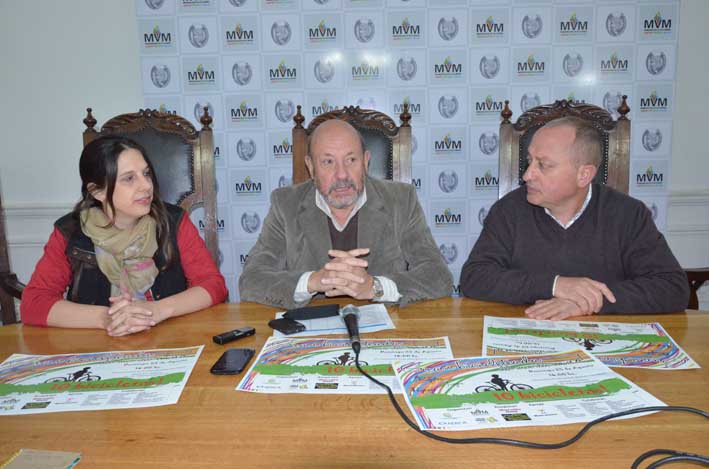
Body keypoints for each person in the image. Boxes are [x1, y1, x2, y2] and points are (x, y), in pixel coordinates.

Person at [460, 117, 688, 319]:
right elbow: (475, 278)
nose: (527, 174)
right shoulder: (508, 211)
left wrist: (588, 302)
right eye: (529, 161)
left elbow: (672, 287)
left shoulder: (627, 214)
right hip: (530, 337)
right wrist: (555, 285)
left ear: (584, 175)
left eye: (543, 165)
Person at [21, 136, 228, 335]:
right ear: (97, 191)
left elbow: (212, 285)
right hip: (96, 349)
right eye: (129, 178)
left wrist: (156, 311)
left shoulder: (173, 221)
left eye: (146, 174)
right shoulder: (70, 232)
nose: (146, 186)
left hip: (170, 341)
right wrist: (107, 318)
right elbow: (34, 304)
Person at [239, 119, 452, 309]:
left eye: (351, 160)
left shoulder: (401, 200)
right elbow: (251, 280)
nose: (342, 175)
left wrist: (374, 287)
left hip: (386, 333)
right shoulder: (285, 204)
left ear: (366, 161)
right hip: (312, 335)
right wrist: (314, 281)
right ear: (311, 166)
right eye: (328, 162)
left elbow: (438, 276)